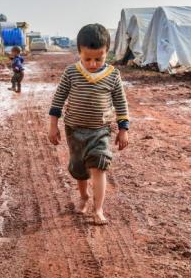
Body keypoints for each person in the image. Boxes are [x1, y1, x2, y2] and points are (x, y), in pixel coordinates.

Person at [48, 23, 130, 225]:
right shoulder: (71, 73)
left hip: (100, 131)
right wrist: (53, 125)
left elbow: (121, 102)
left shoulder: (112, 75)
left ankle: (98, 209)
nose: (93, 64)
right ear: (79, 53)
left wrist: (123, 129)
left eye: (99, 59)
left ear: (106, 53)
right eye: (87, 59)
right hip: (74, 130)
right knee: (79, 169)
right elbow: (58, 100)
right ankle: (84, 196)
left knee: (99, 166)